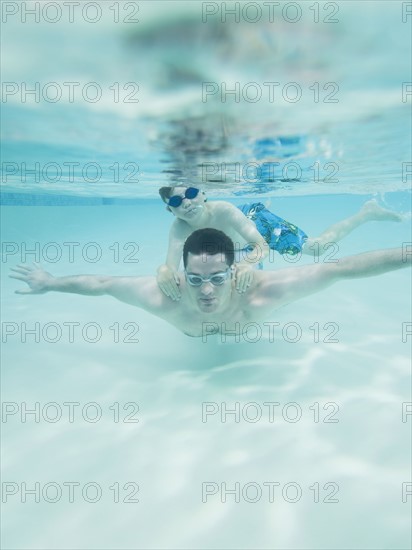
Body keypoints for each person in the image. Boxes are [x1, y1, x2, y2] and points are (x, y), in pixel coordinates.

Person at [10, 228, 411, 338]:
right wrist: (50, 283)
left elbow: (339, 268)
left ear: (233, 273)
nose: (206, 290)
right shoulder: (160, 297)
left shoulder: (263, 292)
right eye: (195, 278)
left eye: (217, 278)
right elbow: (100, 282)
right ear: (180, 274)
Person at [157, 186, 402, 300]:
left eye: (190, 194)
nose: (186, 203)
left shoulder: (224, 210)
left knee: (317, 248)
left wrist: (249, 262)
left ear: (202, 193)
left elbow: (260, 246)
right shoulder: (178, 227)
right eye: (177, 202)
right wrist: (163, 272)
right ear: (170, 210)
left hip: (256, 226)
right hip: (236, 244)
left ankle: (366, 213)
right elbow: (170, 265)